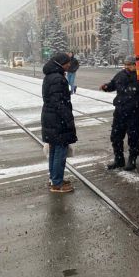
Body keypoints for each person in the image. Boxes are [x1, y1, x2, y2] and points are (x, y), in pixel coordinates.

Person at [41, 52, 77, 193]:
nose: (69, 65)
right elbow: (59, 103)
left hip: (50, 117)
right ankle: (57, 183)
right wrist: (68, 119)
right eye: (67, 62)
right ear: (61, 63)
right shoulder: (58, 78)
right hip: (57, 119)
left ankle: (54, 179)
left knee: (54, 150)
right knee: (60, 151)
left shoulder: (51, 76)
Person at [100, 56, 139, 171]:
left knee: (133, 137)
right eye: (126, 64)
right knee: (115, 136)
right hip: (120, 111)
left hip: (134, 112)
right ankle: (119, 159)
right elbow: (113, 85)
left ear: (136, 65)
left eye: (130, 64)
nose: (127, 67)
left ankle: (132, 160)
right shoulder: (121, 74)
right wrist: (106, 87)